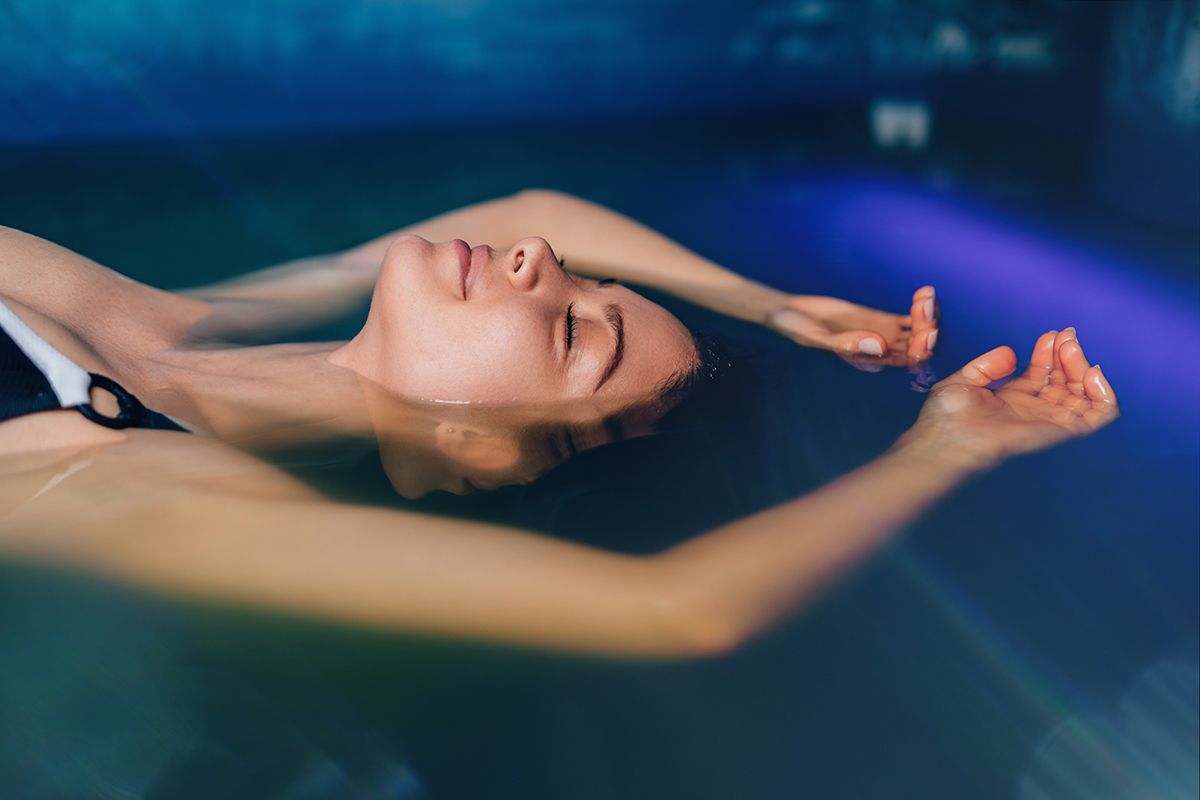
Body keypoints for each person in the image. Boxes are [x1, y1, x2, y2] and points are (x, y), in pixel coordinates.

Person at [0, 189, 1118, 659]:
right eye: (578, 283)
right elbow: (534, 208)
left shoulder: (138, 485)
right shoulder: (172, 321)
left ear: (480, 450)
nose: (537, 263)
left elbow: (679, 606)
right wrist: (770, 305)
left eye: (576, 333)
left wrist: (948, 446)